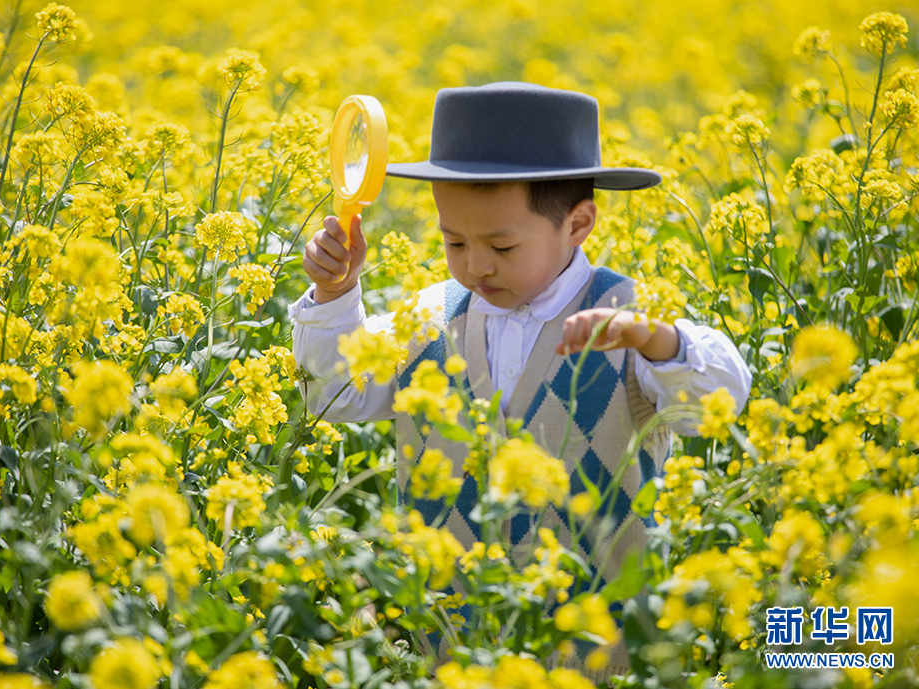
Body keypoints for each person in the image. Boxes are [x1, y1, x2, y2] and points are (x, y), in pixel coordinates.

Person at [289, 82, 751, 680]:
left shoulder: (629, 320)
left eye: (501, 245)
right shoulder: (427, 317)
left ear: (578, 224)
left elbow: (718, 402)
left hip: (597, 660)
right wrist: (334, 293)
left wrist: (654, 340)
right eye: (454, 241)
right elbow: (332, 393)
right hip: (448, 654)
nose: (475, 265)